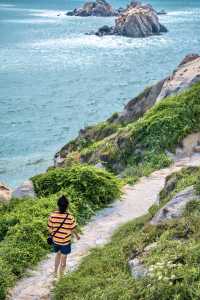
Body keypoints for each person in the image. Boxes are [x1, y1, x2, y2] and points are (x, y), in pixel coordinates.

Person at [48, 195, 80, 276]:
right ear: (67, 206)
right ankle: (61, 276)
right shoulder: (69, 217)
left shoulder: (52, 215)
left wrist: (55, 235)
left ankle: (55, 272)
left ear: (58, 205)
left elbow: (50, 228)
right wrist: (77, 236)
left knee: (58, 255)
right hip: (65, 242)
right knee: (64, 258)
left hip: (56, 241)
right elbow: (73, 229)